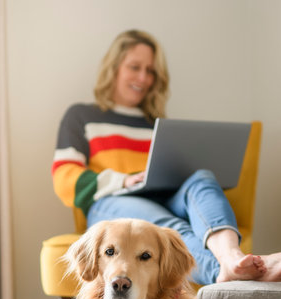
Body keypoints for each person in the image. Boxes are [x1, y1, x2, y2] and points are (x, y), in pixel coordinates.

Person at [52, 29, 281, 285]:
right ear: (114, 68)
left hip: (162, 196)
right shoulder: (81, 116)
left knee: (202, 178)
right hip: (112, 202)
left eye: (150, 71)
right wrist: (123, 182)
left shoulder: (156, 124)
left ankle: (231, 258)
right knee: (169, 228)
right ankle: (223, 272)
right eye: (135, 67)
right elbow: (64, 178)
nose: (143, 77)